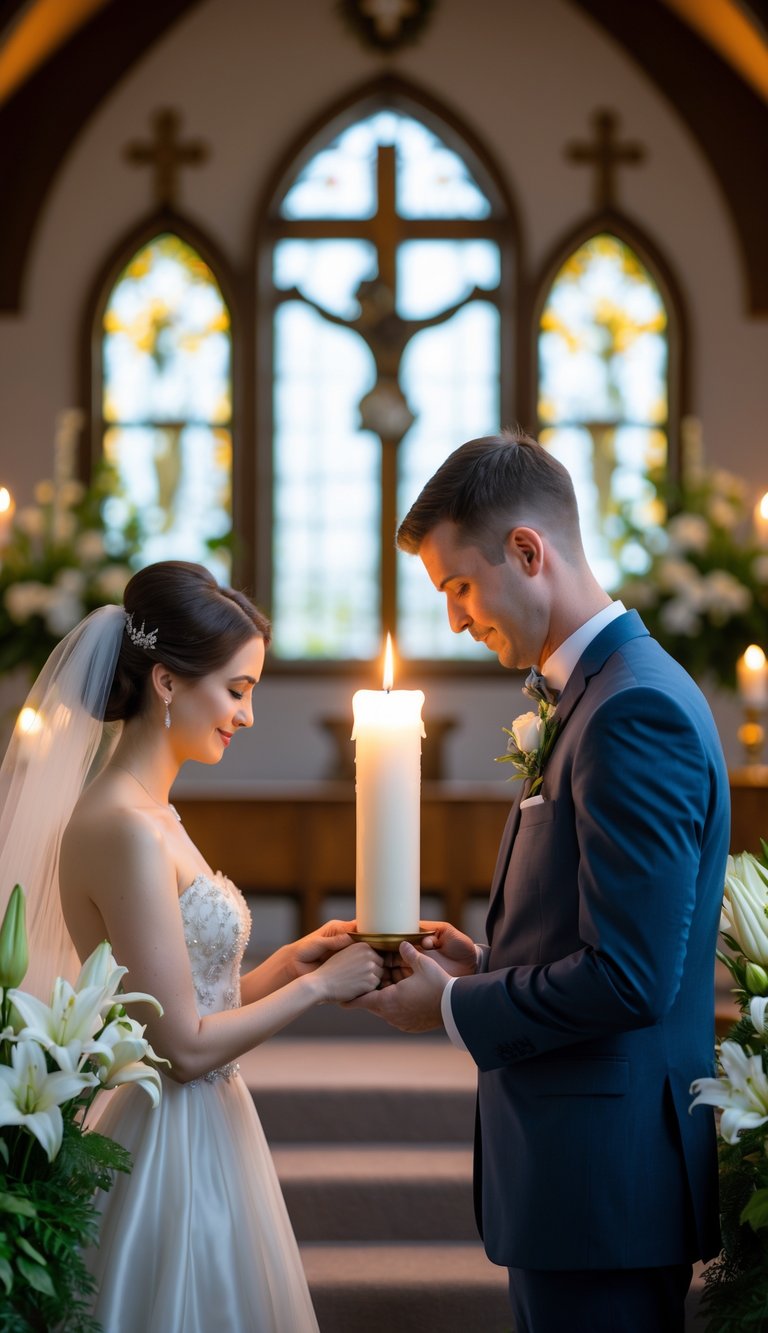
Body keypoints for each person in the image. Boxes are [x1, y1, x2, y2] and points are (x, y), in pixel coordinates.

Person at [353, 431, 730, 1333]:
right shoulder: (595, 693)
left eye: (459, 587)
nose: (454, 618)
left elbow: (633, 977)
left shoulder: (631, 708)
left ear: (529, 551)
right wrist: (482, 963)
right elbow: (601, 936)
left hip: (606, 1183)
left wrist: (451, 1009)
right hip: (585, 1179)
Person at [0, 559, 382, 1333]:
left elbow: (191, 991)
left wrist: (288, 961)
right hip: (170, 1139)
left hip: (211, 1124)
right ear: (168, 682)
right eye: (237, 689)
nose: (245, 715)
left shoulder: (155, 812)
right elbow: (180, 1046)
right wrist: (317, 988)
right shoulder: (125, 827)